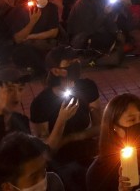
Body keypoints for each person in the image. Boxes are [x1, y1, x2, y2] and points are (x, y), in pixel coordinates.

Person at [30, 47, 101, 188]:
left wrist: (71, 138)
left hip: (87, 151)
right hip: (61, 161)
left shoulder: (88, 87)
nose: (75, 64)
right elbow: (47, 152)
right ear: (55, 71)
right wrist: (61, 120)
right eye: (69, 63)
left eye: (76, 60)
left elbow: (99, 127)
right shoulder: (41, 103)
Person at [0, 132, 66, 191]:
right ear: (8, 188)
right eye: (34, 177)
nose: (43, 181)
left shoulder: (53, 184)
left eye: (43, 170)